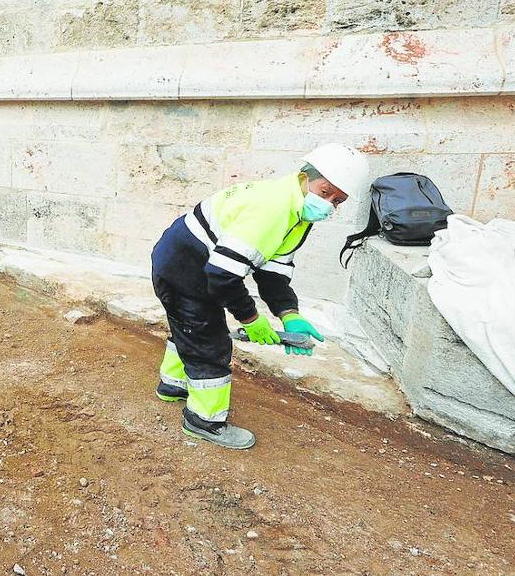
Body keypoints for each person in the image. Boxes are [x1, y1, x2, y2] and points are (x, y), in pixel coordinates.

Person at [149, 143, 370, 450]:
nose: (329, 204)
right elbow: (223, 276)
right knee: (208, 342)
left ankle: (174, 386)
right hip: (183, 269)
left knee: (193, 329)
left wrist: (288, 313)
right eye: (326, 192)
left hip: (196, 265)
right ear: (306, 177)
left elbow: (272, 272)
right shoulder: (273, 208)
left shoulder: (297, 212)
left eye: (338, 201)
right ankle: (204, 421)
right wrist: (251, 319)